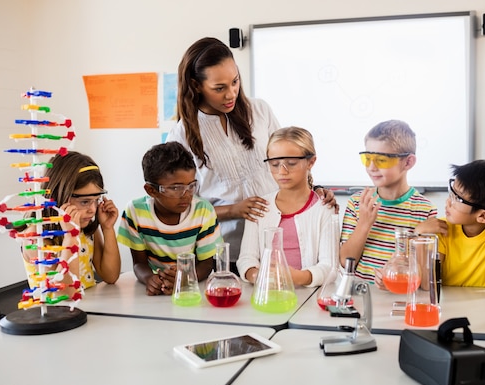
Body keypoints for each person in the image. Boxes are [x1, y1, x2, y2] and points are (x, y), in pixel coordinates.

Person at [166, 37, 336, 272]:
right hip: (225, 251)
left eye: (235, 81)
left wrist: (314, 192)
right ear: (196, 86)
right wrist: (233, 210)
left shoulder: (259, 110)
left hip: (279, 242)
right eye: (219, 88)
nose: (231, 94)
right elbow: (177, 208)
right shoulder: (181, 135)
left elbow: (287, 160)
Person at [17, 151, 121, 385]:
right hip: (50, 328)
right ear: (60, 198)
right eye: (85, 201)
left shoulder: (87, 228)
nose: (91, 209)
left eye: (96, 200)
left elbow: (110, 275)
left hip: (79, 322)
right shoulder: (36, 235)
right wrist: (69, 236)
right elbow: (66, 291)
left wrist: (108, 229)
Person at [117, 142, 222, 295]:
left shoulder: (203, 210)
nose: (186, 194)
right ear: (151, 190)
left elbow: (206, 263)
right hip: (156, 292)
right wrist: (149, 279)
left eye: (191, 185)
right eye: (175, 188)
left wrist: (185, 278)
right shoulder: (135, 211)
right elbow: (139, 263)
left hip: (192, 290)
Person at [340, 120, 437, 283]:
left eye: (381, 160)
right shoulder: (357, 203)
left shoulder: (425, 210)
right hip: (361, 297)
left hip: (401, 299)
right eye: (367, 158)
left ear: (408, 162)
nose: (371, 167)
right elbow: (346, 262)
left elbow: (425, 276)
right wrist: (364, 224)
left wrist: (395, 279)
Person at [237, 127, 333, 286]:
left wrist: (297, 277)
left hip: (307, 297)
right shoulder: (259, 207)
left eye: (292, 163)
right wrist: (257, 276)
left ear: (311, 162)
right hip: (268, 293)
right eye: (274, 164)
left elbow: (329, 267)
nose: (282, 171)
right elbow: (246, 259)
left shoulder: (324, 208)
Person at [415, 159, 485, 295]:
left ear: (483, 216)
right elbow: (427, 285)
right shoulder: (442, 228)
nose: (448, 202)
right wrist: (419, 237)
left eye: (457, 199)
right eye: (451, 192)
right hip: (449, 303)